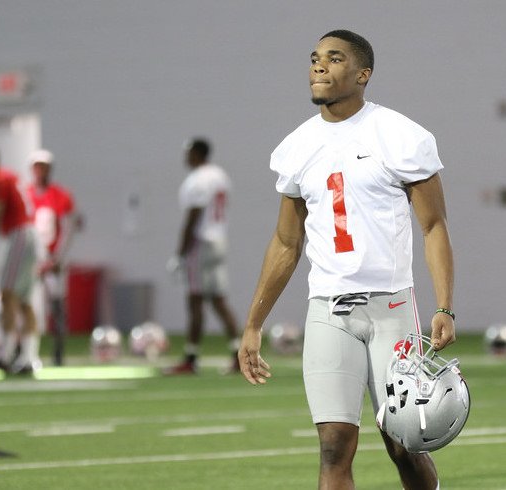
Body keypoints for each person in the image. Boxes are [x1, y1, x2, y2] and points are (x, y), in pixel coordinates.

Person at [238, 30, 455, 489]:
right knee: (334, 444)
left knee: (403, 443)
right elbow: (284, 243)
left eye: (334, 59)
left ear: (363, 74)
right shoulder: (297, 146)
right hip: (328, 311)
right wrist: (254, 323)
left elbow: (434, 226)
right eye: (315, 58)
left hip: (391, 308)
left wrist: (443, 305)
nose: (319, 66)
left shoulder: (399, 135)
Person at [166, 138, 240, 375]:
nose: (185, 157)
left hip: (202, 242)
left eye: (188, 152)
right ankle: (239, 353)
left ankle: (190, 357)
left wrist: (180, 253)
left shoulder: (197, 180)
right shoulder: (220, 175)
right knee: (218, 300)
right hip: (219, 239)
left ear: (198, 153)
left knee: (195, 299)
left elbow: (193, 217)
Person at [0, 145, 41, 374]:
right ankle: (28, 357)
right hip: (28, 235)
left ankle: (8, 355)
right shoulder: (10, 177)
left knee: (8, 295)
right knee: (23, 299)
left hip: (19, 236)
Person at [25, 149, 79, 366]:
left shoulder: (61, 194)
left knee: (57, 305)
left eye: (44, 166)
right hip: (31, 258)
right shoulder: (25, 193)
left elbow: (68, 227)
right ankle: (25, 350)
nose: (40, 171)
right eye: (37, 166)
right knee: (24, 304)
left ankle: (58, 352)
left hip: (53, 256)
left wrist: (58, 257)